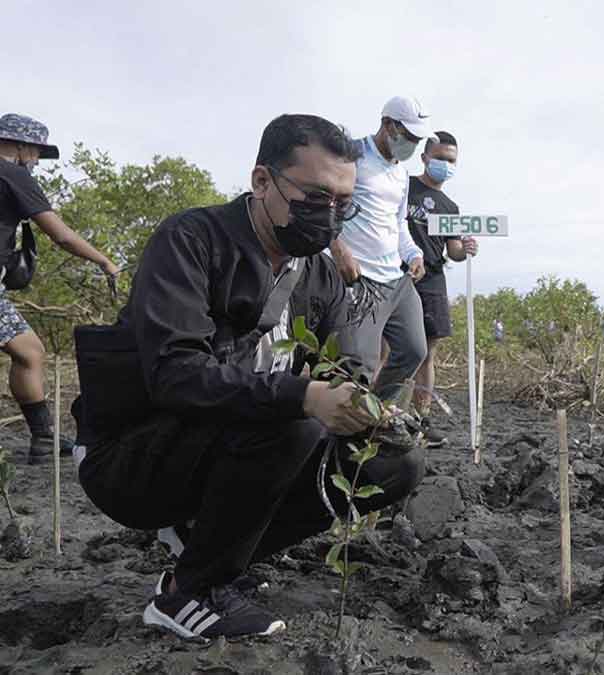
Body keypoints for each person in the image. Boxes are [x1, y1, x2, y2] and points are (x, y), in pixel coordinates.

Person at [72, 114, 426, 641]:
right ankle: (188, 593)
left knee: (396, 464)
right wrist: (305, 395)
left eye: (343, 203)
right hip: (130, 456)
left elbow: (345, 367)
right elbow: (176, 376)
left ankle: (211, 552)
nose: (329, 215)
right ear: (262, 182)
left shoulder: (320, 273)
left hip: (231, 444)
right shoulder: (192, 240)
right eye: (314, 197)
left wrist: (365, 410)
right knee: (293, 419)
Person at [0, 113, 120, 464]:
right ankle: (42, 439)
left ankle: (43, 439)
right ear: (21, 146)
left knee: (30, 352)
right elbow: (61, 234)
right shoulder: (12, 173)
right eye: (36, 152)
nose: (37, 160)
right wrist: (104, 261)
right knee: (30, 353)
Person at [328, 96, 439, 444]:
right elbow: (327, 207)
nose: (414, 145)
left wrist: (414, 254)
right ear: (388, 125)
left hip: (396, 276)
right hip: (362, 279)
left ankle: (374, 414)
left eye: (419, 140)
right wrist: (338, 249)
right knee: (356, 363)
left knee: (414, 349)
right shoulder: (352, 156)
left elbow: (399, 223)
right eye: (410, 136)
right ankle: (346, 434)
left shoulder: (400, 175)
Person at [406, 131, 477, 446]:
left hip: (433, 280)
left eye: (451, 161)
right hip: (398, 275)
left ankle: (421, 421)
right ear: (424, 157)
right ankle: (386, 416)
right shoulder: (403, 188)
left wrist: (467, 247)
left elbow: (454, 252)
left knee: (426, 354)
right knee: (390, 350)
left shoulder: (450, 207)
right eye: (440, 158)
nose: (445, 165)